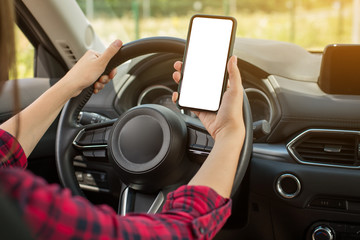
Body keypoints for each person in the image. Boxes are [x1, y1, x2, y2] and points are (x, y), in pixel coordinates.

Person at [0, 0, 245, 239]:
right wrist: (228, 134)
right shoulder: (20, 204)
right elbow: (178, 230)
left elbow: (3, 152)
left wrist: (70, 85)